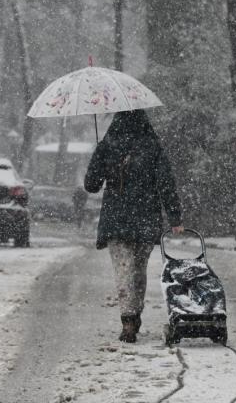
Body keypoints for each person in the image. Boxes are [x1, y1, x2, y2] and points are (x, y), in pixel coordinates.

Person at [84, 109, 184, 343]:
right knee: (138, 269)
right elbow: (166, 183)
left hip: (116, 218)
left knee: (123, 270)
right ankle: (135, 313)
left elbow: (91, 185)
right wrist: (175, 217)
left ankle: (128, 320)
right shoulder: (152, 146)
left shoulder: (107, 145)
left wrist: (100, 157)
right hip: (146, 218)